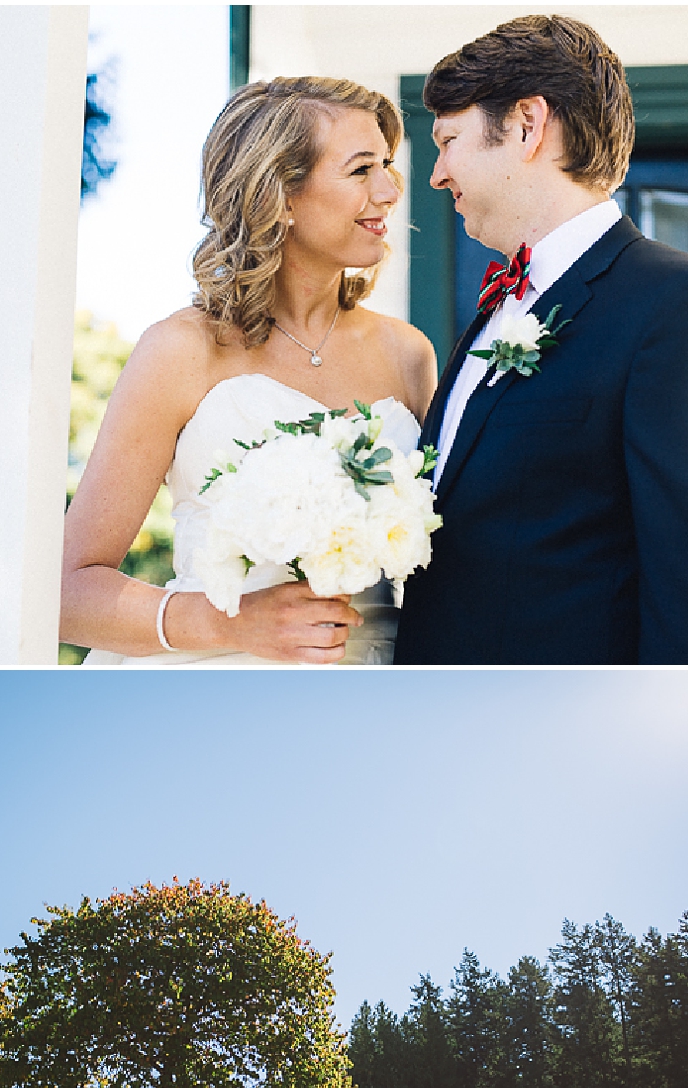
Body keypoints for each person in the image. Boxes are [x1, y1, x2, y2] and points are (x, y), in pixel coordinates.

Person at [394, 14, 688, 665]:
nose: (436, 174)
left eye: (449, 140)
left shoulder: (684, 310)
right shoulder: (493, 315)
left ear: (526, 125)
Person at [61, 77, 436, 665]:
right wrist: (229, 624)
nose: (391, 189)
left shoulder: (408, 355)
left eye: (387, 165)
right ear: (280, 195)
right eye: (362, 170)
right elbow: (68, 589)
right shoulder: (180, 351)